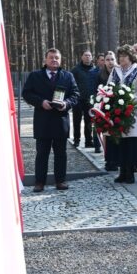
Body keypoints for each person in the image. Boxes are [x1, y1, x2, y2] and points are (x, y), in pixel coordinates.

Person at [22, 48, 80, 192]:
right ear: (45, 60)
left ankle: (60, 180)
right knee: (42, 153)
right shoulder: (35, 76)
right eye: (51, 57)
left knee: (61, 153)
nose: (54, 60)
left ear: (61, 60)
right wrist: (41, 102)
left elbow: (76, 94)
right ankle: (39, 182)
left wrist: (66, 104)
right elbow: (26, 93)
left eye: (57, 58)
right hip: (43, 120)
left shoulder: (68, 76)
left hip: (61, 120)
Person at [107, 46, 137, 184]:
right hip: (117, 110)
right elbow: (109, 87)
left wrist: (126, 102)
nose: (121, 59)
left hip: (133, 110)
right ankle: (122, 172)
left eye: (124, 56)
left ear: (130, 57)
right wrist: (112, 101)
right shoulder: (115, 70)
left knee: (131, 142)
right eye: (120, 56)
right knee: (120, 142)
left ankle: (130, 173)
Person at [70, 50, 99, 149]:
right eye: (85, 55)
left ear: (92, 58)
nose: (87, 57)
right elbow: (71, 84)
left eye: (89, 55)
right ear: (82, 57)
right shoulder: (76, 70)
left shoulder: (95, 70)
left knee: (89, 121)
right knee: (76, 120)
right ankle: (77, 139)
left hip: (90, 100)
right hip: (78, 100)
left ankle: (88, 141)